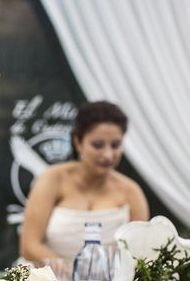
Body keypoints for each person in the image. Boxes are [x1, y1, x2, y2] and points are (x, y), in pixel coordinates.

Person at [19, 100, 149, 263]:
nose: (108, 155)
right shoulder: (52, 179)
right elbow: (29, 245)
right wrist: (68, 274)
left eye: (115, 145)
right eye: (97, 145)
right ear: (78, 142)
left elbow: (140, 255)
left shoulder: (132, 192)